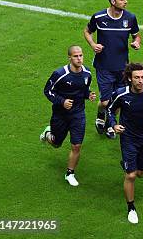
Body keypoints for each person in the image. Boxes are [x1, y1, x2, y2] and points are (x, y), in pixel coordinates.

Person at [107, 63, 143, 224]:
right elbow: (110, 109)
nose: (140, 81)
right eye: (137, 78)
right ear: (130, 78)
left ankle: (127, 164)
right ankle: (131, 207)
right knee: (130, 175)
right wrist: (113, 124)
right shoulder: (121, 94)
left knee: (140, 173)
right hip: (129, 138)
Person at [83, 0, 140, 139]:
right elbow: (87, 31)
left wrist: (136, 43)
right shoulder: (99, 17)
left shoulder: (130, 18)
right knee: (105, 101)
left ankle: (110, 125)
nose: (126, 2)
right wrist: (93, 44)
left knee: (118, 100)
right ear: (112, 1)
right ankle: (101, 113)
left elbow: (136, 36)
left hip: (123, 68)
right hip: (104, 66)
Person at [40, 45, 96, 187]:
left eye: (81, 55)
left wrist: (88, 95)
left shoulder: (87, 73)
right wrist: (62, 101)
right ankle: (48, 133)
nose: (79, 58)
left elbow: (83, 90)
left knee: (76, 146)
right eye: (76, 56)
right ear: (69, 58)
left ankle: (70, 173)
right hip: (60, 115)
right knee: (56, 143)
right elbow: (48, 91)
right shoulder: (60, 74)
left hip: (78, 114)